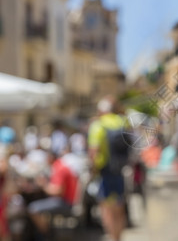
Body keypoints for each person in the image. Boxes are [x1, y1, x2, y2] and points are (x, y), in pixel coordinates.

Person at [88, 96, 129, 241]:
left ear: (101, 110)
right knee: (119, 208)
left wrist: (92, 170)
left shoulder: (98, 125)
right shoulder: (122, 122)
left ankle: (112, 238)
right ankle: (119, 237)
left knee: (106, 209)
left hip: (104, 172)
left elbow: (94, 151)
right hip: (120, 170)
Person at [28, 151, 79, 240]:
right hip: (66, 200)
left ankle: (47, 235)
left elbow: (58, 192)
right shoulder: (61, 166)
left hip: (65, 203)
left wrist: (43, 185)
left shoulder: (59, 168)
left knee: (33, 209)